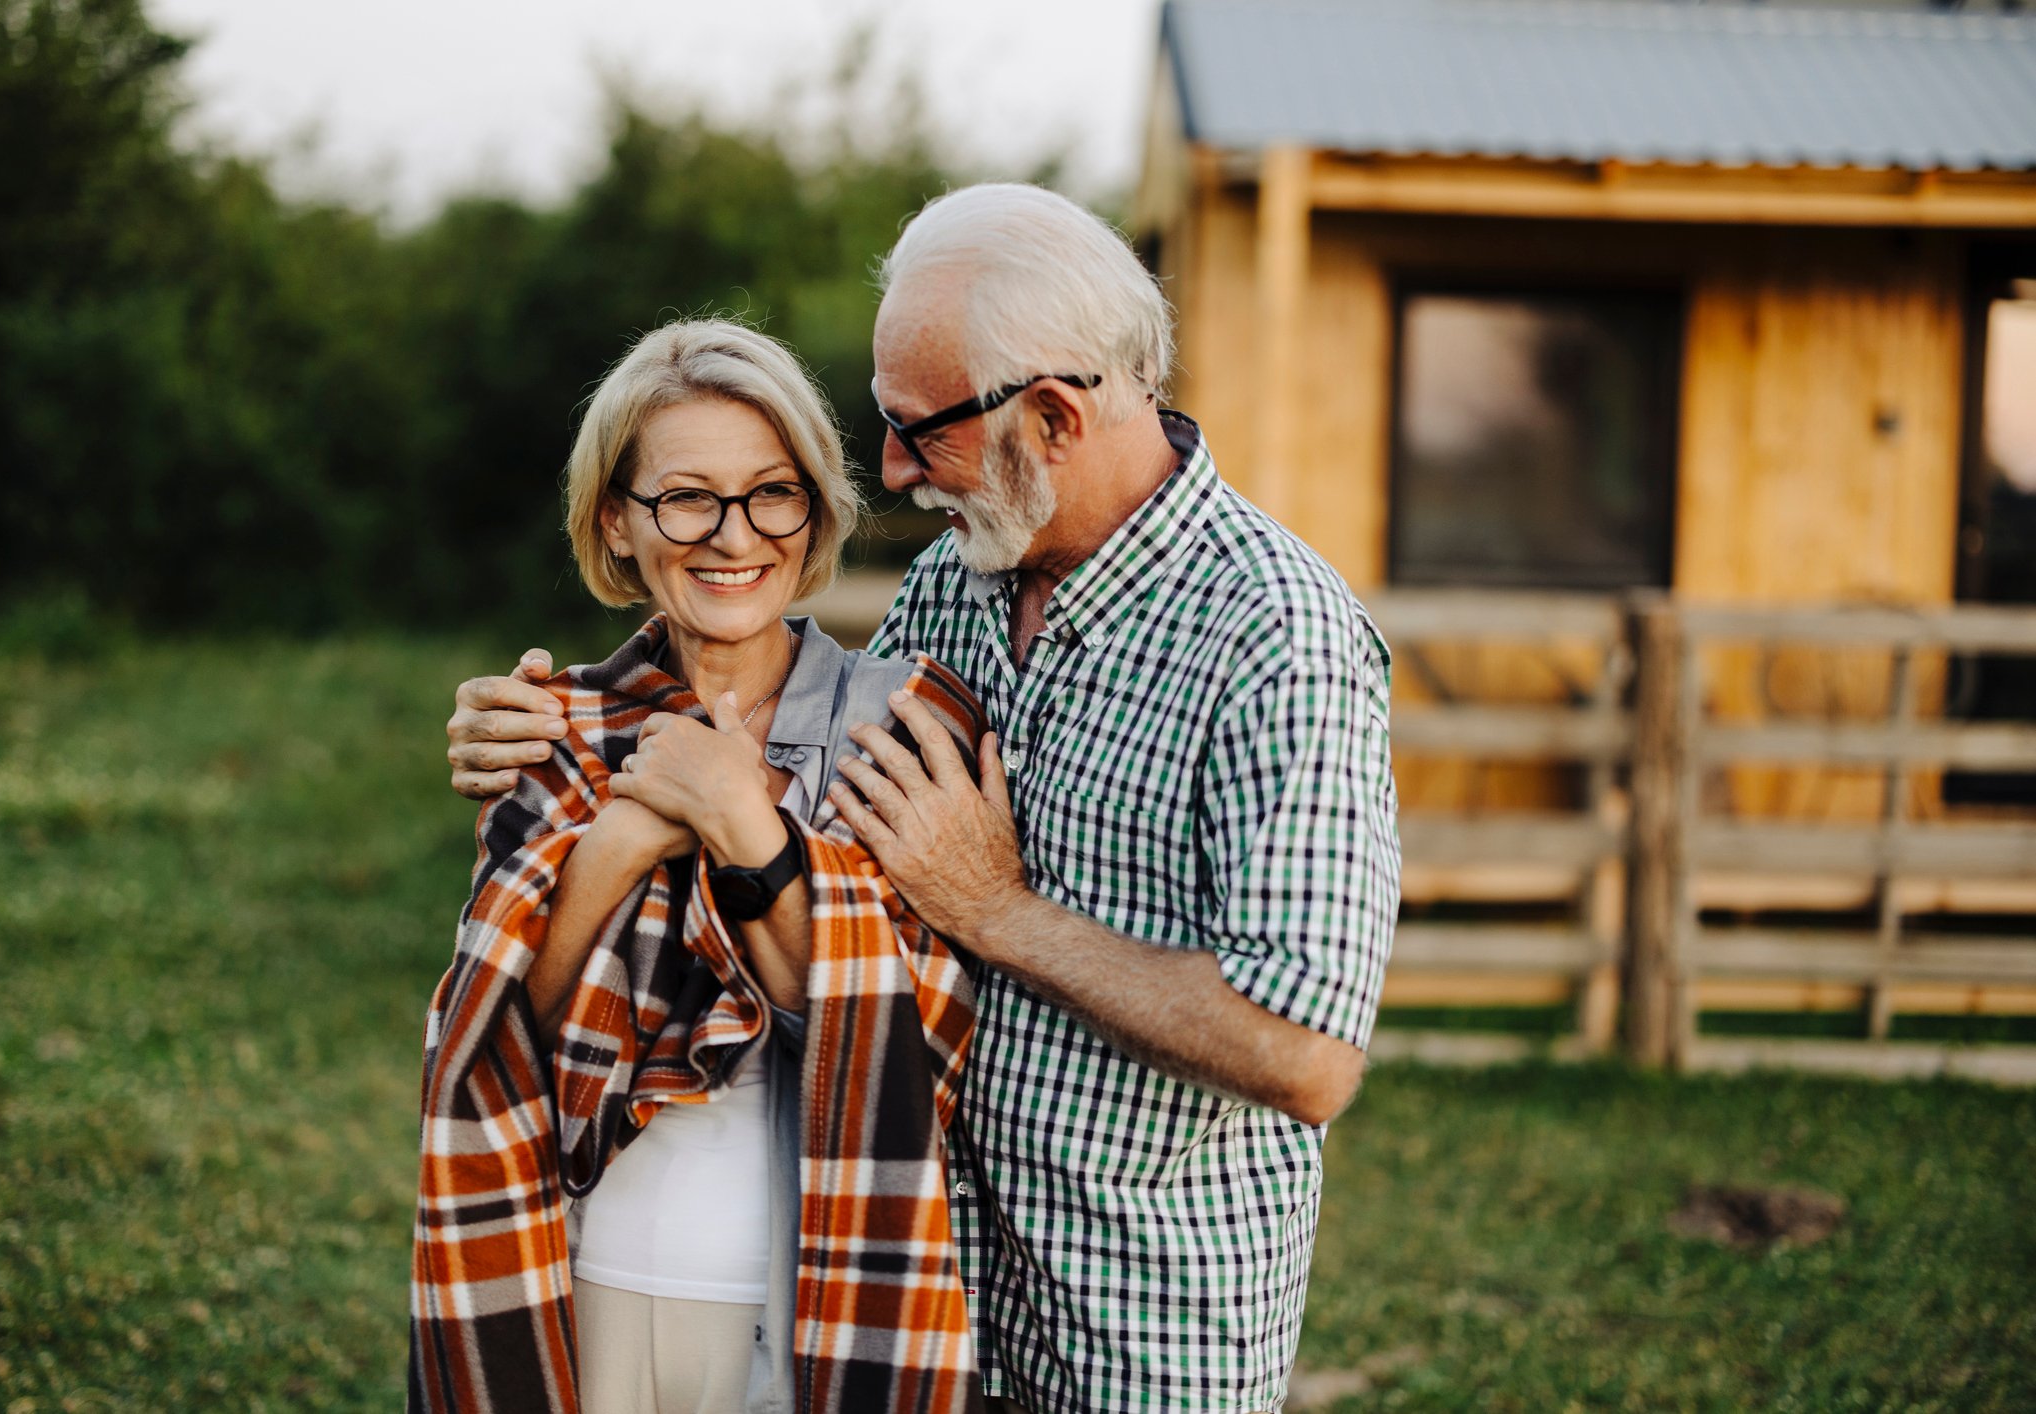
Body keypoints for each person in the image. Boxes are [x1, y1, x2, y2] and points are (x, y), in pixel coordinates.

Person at [446, 186, 1400, 1412]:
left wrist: (1000, 912)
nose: (893, 470)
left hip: (1133, 1339)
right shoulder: (961, 580)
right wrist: (555, 719)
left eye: (919, 429)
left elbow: (1306, 1053)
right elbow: (794, 775)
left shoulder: (1280, 640)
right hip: (920, 1298)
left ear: (1053, 414)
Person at [411, 319, 985, 1414]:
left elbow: (903, 1038)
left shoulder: (901, 724)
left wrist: (739, 818)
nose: (734, 536)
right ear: (620, 522)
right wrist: (623, 841)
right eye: (687, 498)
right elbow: (502, 1035)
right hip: (591, 1270)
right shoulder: (561, 724)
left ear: (814, 508)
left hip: (819, 1288)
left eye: (774, 492)